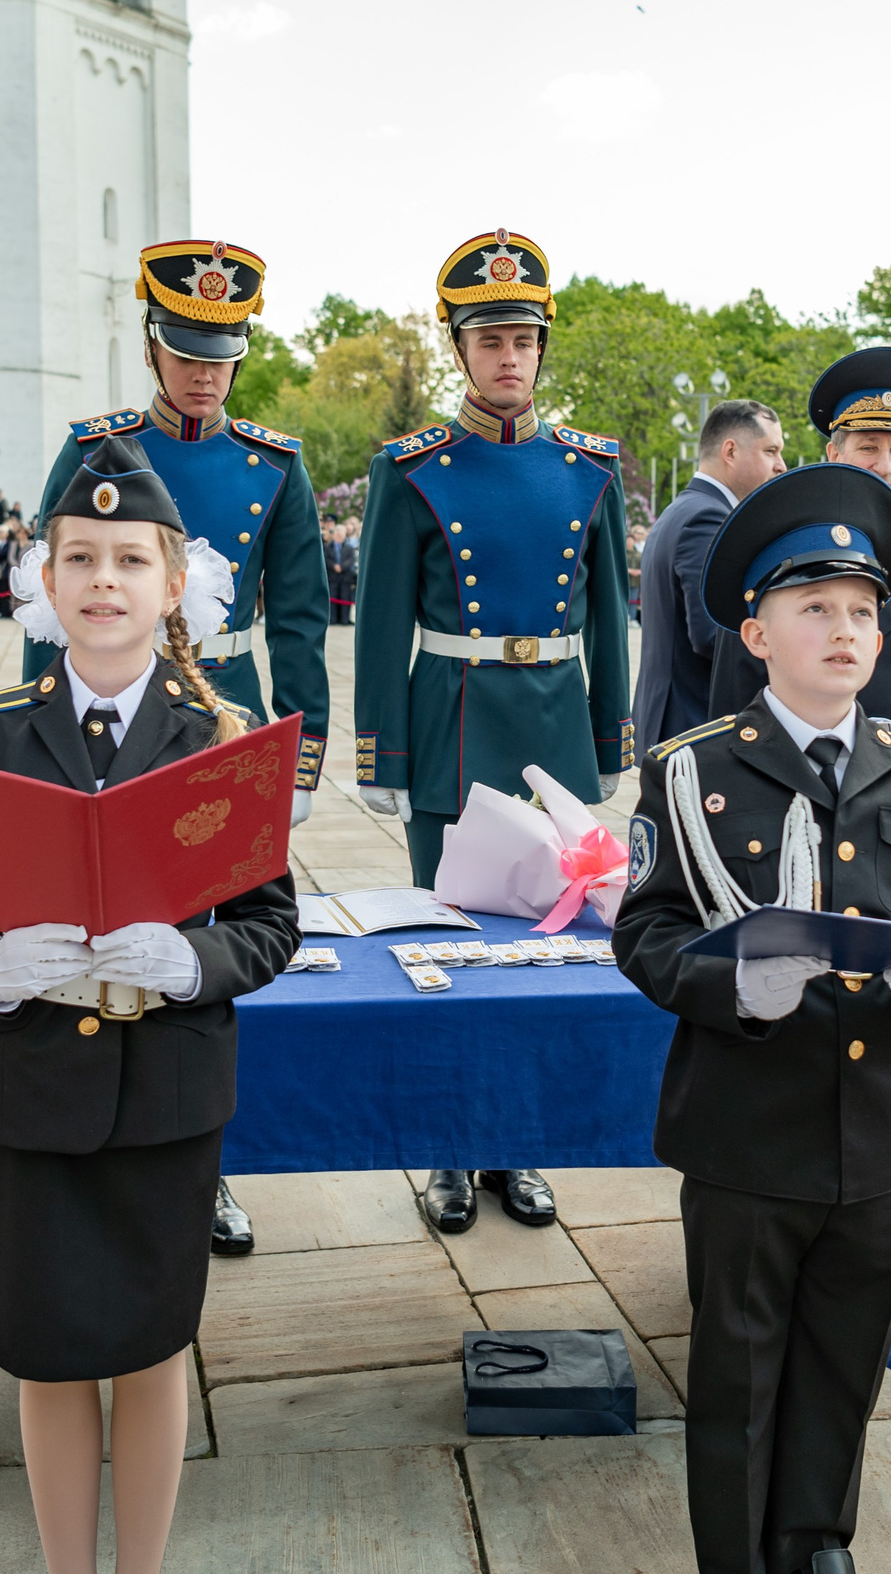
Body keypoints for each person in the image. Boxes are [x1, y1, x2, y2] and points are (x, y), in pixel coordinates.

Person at [0, 434, 297, 1574]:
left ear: (175, 583)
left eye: (131, 558)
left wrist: (189, 963)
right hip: (30, 1095)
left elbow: (270, 927)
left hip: (163, 1100)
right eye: (80, 557)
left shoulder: (221, 735)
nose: (104, 581)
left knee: (150, 1346)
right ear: (45, 578)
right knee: (44, 1350)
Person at [614, 461, 891, 1574]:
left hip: (873, 1131)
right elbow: (645, 931)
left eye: (862, 611)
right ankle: (735, 1553)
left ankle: (816, 1537)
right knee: (737, 1370)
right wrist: (732, 984)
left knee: (843, 1357)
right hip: (746, 1130)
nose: (843, 630)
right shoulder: (693, 774)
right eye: (813, 607)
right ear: (757, 632)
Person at [19, 238, 328, 1256]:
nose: (205, 369)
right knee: (110, 924)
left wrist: (304, 747)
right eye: (187, 348)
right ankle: (110, 1141)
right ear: (152, 346)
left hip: (223, 710)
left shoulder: (272, 462)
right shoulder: (96, 446)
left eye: (222, 351)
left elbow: (298, 614)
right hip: (112, 701)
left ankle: (210, 1164)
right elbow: (49, 590)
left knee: (210, 942)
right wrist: (35, 724)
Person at [352, 229, 633, 1235]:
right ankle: (447, 1151)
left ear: (540, 348)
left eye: (522, 339)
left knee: (542, 953)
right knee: (448, 952)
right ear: (459, 352)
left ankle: (518, 1146)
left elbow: (608, 614)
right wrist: (379, 750)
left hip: (550, 732)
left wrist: (609, 742)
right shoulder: (414, 467)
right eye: (489, 341)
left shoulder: (587, 468)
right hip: (453, 731)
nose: (507, 358)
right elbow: (381, 614)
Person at [706, 349, 891, 768]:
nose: (885, 466)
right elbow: (738, 683)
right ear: (834, 453)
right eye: (868, 447)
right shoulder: (776, 547)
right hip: (797, 773)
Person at [634, 398, 787, 746]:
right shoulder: (710, 519)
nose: (781, 465)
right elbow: (712, 635)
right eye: (771, 451)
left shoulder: (684, 509)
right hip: (693, 725)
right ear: (730, 451)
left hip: (673, 720)